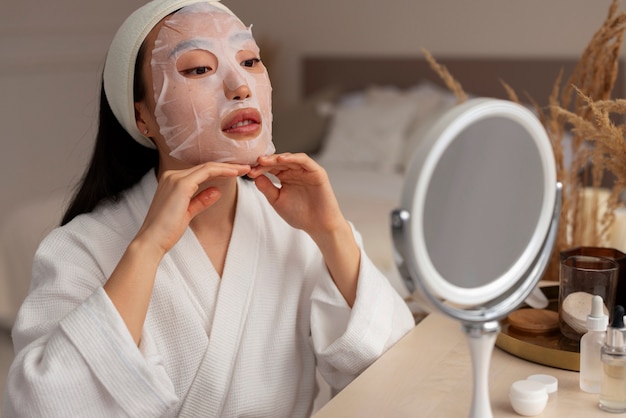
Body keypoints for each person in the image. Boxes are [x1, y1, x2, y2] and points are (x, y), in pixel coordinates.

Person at [2, 0, 414, 416]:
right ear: (141, 117)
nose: (240, 86)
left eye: (251, 60)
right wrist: (147, 249)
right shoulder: (80, 248)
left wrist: (331, 231)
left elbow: (397, 377)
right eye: (199, 69)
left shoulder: (297, 231)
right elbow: (47, 406)